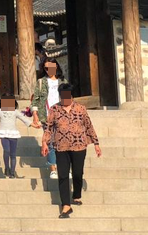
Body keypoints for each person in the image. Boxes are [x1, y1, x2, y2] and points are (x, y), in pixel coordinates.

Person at [41, 83, 101, 219]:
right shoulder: (54, 109)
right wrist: (44, 142)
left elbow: (89, 126)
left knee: (77, 173)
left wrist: (96, 143)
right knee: (62, 175)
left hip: (79, 146)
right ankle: (66, 206)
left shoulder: (81, 108)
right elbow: (49, 127)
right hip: (61, 147)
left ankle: (77, 194)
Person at [31, 58, 66, 179]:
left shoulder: (63, 81)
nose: (49, 70)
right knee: (50, 142)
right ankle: (53, 168)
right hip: (46, 115)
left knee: (62, 142)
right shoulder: (41, 82)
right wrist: (35, 114)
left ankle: (64, 167)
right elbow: (36, 99)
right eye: (46, 68)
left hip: (62, 115)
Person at [0, 93, 31, 178]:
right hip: (4, 134)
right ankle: (7, 167)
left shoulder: (15, 111)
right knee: (7, 150)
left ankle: (12, 173)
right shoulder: (0, 111)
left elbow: (24, 119)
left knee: (13, 154)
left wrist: (33, 124)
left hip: (13, 134)